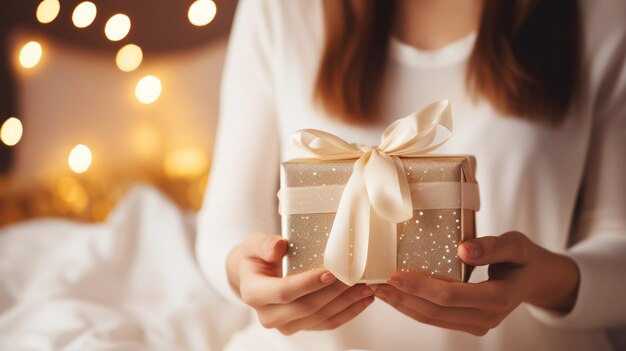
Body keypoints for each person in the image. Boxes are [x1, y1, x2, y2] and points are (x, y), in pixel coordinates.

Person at [196, 0, 626, 350]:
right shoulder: (280, 11)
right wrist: (244, 271)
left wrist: (543, 280)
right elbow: (227, 221)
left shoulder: (601, 15)